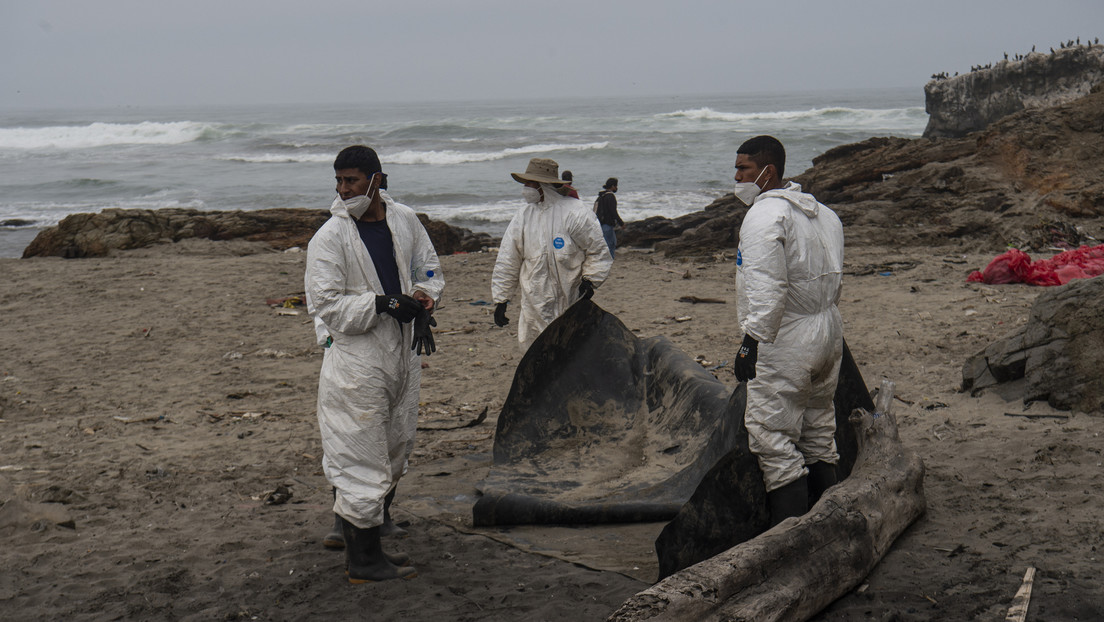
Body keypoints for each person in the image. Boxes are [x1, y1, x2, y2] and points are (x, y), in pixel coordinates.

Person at [304, 145, 444, 583]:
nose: (344, 189)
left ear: (376, 180)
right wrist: (382, 303)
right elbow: (327, 304)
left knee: (395, 443)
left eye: (352, 180)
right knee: (359, 450)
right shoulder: (330, 237)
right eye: (339, 181)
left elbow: (429, 267)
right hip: (357, 358)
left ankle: (368, 535)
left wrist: (423, 298)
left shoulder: (403, 221)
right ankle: (363, 560)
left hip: (400, 353)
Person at [729, 135, 845, 527]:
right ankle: (831, 522)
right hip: (827, 330)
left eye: (743, 168)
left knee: (772, 437)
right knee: (817, 430)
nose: (737, 175)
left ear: (768, 171)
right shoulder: (824, 215)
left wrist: (750, 343)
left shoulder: (764, 217)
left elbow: (767, 285)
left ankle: (788, 540)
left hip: (787, 336)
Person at [491, 157, 612, 352]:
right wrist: (501, 299)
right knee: (535, 354)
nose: (526, 188)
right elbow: (508, 260)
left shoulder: (576, 213)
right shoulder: (523, 217)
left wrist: (590, 280)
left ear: (544, 185)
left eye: (530, 183)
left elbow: (597, 250)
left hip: (570, 300)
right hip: (534, 303)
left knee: (570, 353)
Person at [594, 177, 624, 258]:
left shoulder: (600, 197)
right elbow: (613, 211)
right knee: (610, 245)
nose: (617, 188)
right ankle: (609, 260)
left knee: (608, 244)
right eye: (616, 186)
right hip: (607, 224)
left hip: (600, 224)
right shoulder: (610, 196)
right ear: (612, 186)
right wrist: (621, 223)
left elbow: (595, 210)